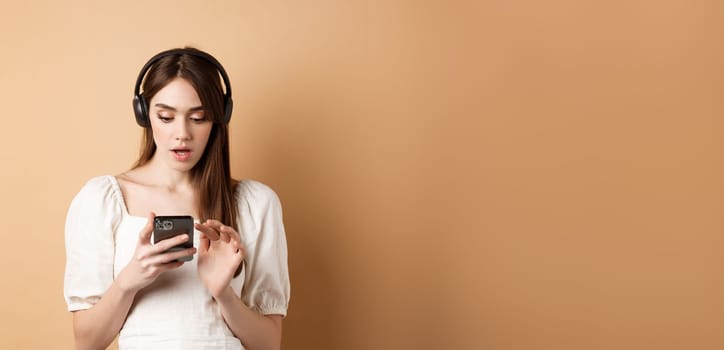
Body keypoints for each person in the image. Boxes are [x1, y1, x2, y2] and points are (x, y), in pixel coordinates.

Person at [63, 47, 290, 350]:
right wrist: (130, 279)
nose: (182, 133)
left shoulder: (257, 204)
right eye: (166, 117)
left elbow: (268, 345)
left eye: (198, 118)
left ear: (218, 119)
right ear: (144, 115)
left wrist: (223, 292)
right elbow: (87, 343)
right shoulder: (100, 200)